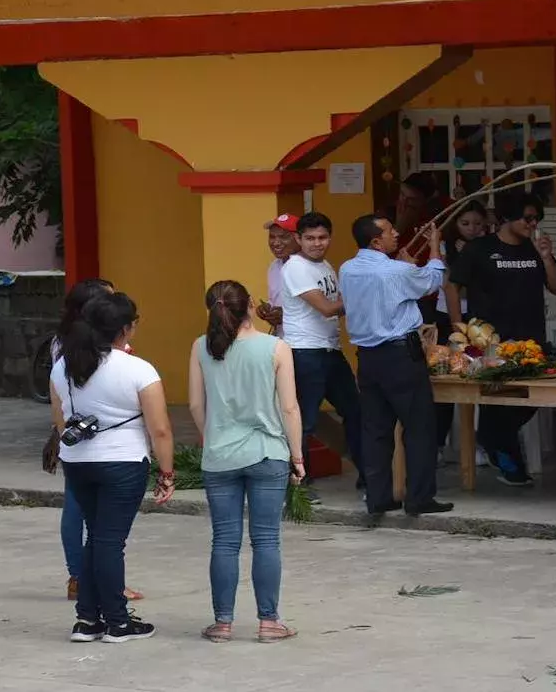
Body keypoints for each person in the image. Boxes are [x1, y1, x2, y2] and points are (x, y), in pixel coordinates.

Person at [54, 291, 176, 644]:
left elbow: (59, 419)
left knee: (97, 537)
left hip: (78, 462)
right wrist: (166, 473)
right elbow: (161, 429)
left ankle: (88, 620)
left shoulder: (64, 365)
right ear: (127, 328)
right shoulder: (138, 369)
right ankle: (118, 622)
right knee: (110, 541)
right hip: (122, 462)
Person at [189, 280, 305, 644]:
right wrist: (297, 456)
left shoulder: (200, 347)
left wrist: (210, 436)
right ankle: (269, 622)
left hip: (220, 455)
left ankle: (222, 623)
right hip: (268, 452)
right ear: (251, 306)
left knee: (224, 540)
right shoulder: (277, 347)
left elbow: (195, 404)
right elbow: (288, 407)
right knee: (266, 540)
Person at [447, 191, 556, 486]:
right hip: (490, 341)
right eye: (527, 218)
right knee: (497, 399)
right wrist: (458, 327)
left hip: (531, 342)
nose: (532, 223)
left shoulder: (534, 249)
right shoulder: (479, 249)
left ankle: (490, 440)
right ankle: (508, 461)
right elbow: (452, 286)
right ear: (507, 217)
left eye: (536, 218)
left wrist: (547, 257)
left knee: (535, 396)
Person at [340, 213, 453, 517]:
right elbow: (431, 280)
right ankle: (419, 498)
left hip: (368, 356)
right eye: (390, 231)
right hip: (400, 355)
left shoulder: (348, 269)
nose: (397, 233)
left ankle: (377, 498)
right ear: (376, 242)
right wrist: (433, 248)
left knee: (376, 430)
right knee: (419, 427)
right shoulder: (394, 271)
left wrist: (405, 265)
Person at [42, 278, 143, 603]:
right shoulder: (78, 345)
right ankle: (91, 582)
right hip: (97, 443)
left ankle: (85, 582)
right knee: (99, 526)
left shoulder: (73, 340)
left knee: (89, 518)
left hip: (82, 441)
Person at [280, 212, 364, 501]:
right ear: (298, 239)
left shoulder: (325, 265)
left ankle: (368, 476)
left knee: (356, 412)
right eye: (310, 238)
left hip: (329, 350)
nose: (317, 243)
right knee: (304, 422)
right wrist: (361, 291)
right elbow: (327, 309)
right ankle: (298, 487)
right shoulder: (296, 268)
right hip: (304, 352)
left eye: (323, 237)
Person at [432, 202, 487, 457]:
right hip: (447, 319)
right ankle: (439, 444)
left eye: (477, 223)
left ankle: (480, 444)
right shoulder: (443, 249)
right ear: (455, 225)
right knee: (446, 380)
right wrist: (464, 261)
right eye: (465, 223)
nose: (472, 229)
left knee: (479, 377)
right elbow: (448, 285)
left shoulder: (489, 249)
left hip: (479, 319)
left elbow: (481, 287)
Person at [257, 214, 300, 338]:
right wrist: (267, 309)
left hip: (306, 344)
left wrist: (285, 314)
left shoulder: (309, 267)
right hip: (282, 339)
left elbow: (323, 309)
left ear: (299, 238)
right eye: (272, 237)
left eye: (284, 237)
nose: (276, 243)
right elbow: (275, 299)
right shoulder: (274, 267)